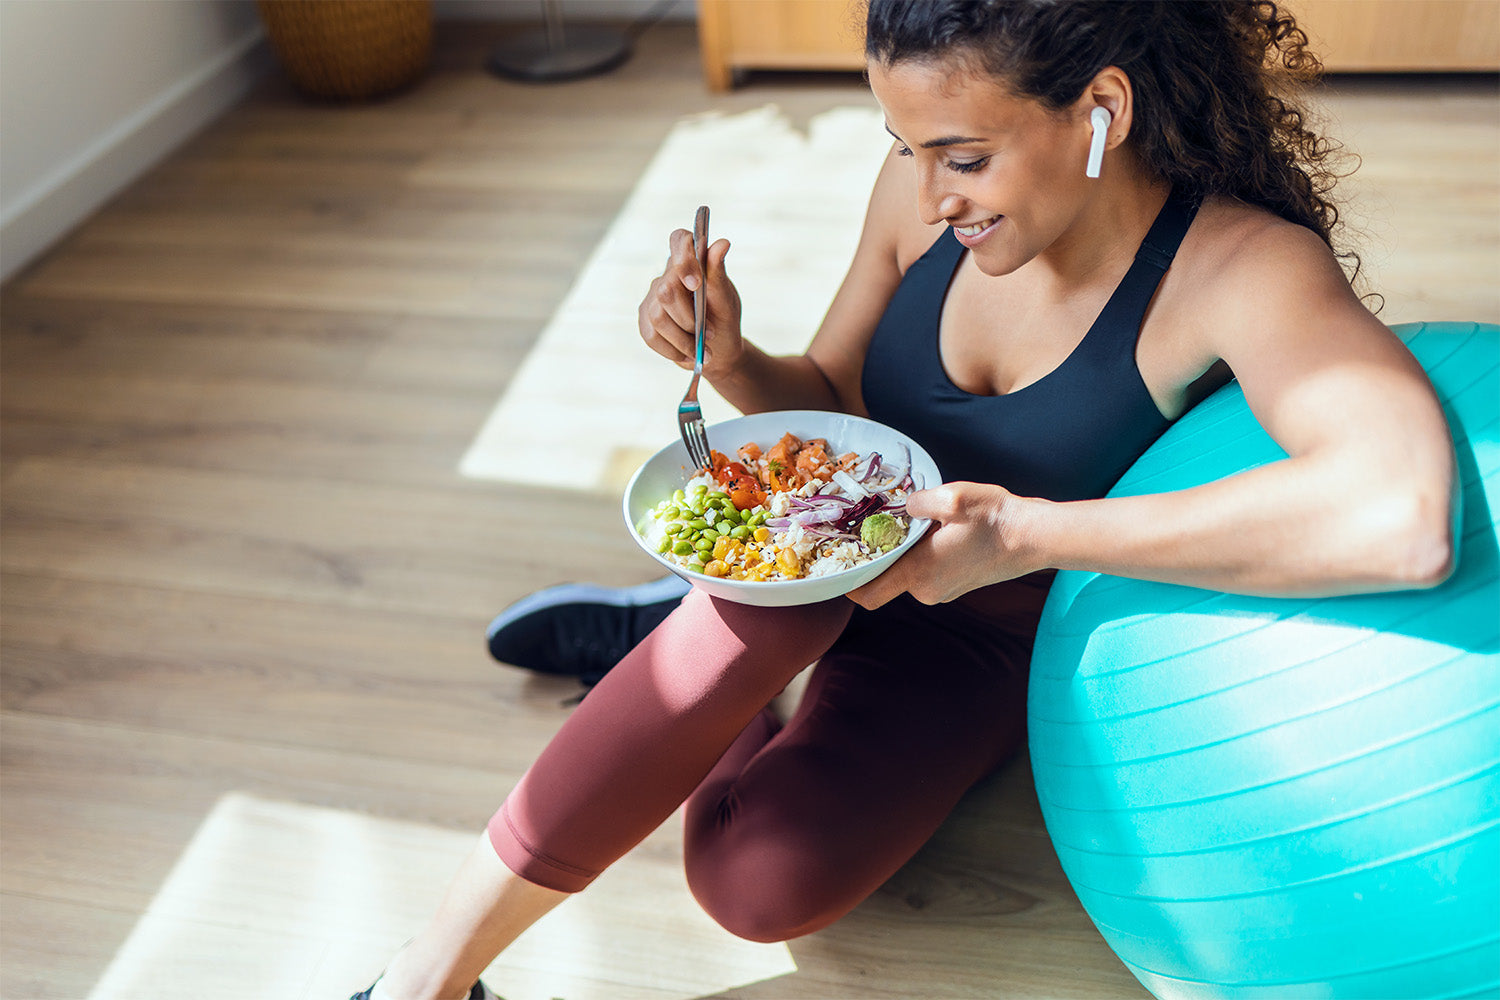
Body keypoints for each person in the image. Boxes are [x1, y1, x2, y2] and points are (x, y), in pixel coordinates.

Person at [356, 1, 1457, 996]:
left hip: (993, 640)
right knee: (759, 612)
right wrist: (735, 357)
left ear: (1101, 109)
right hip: (830, 567)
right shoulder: (922, 198)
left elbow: (1403, 519)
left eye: (963, 156)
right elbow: (834, 397)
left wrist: (1021, 534)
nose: (929, 196)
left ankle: (683, 656)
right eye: (905, 148)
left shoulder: (1239, 271)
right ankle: (427, 978)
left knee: (756, 881)